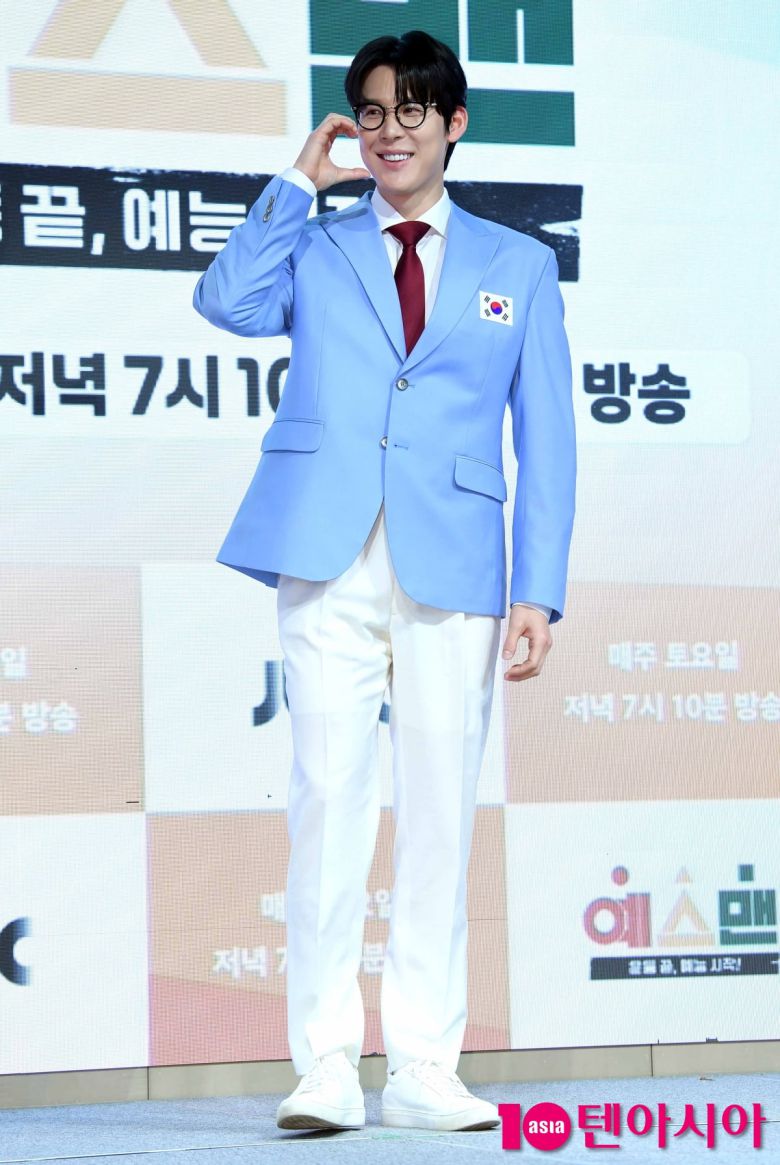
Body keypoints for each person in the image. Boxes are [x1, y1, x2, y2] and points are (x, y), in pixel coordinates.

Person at [193, 29, 576, 1135]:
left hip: (455, 558)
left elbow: (548, 439)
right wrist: (293, 185)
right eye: (371, 111)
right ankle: (324, 1064)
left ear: (454, 124)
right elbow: (226, 303)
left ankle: (422, 1066)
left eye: (413, 111)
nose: (389, 131)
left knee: (440, 814)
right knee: (327, 803)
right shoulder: (316, 244)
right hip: (327, 551)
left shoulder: (518, 265)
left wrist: (538, 589)